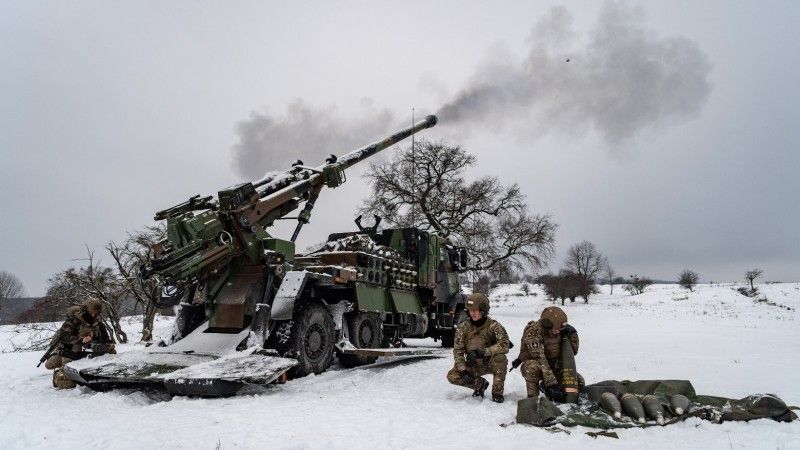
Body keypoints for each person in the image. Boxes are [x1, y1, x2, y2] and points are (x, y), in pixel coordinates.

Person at [510, 306, 583, 402]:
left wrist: (573, 334)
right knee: (531, 368)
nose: (558, 332)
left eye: (560, 329)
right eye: (556, 329)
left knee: (580, 382)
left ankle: (545, 386)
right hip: (538, 366)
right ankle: (533, 399)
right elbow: (540, 358)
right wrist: (552, 384)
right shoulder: (533, 332)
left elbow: (574, 352)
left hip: (554, 367)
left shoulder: (560, 329)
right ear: (548, 325)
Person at [446, 293, 509, 403]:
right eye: (470, 310)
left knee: (501, 358)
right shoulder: (463, 328)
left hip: (489, 362)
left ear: (483, 311)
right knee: (452, 375)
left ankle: (497, 393)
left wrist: (484, 352)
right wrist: (463, 370)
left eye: (476, 310)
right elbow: (458, 351)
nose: (473, 313)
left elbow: (504, 345)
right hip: (473, 364)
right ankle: (479, 384)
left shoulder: (494, 326)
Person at [43, 298, 115, 389]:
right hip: (71, 353)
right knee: (67, 384)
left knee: (112, 353)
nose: (94, 315)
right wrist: (81, 339)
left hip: (91, 353)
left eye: (96, 313)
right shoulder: (73, 321)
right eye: (92, 313)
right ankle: (57, 375)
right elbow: (63, 337)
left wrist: (108, 345)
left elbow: (106, 339)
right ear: (86, 311)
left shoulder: (99, 324)